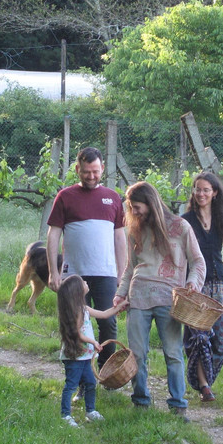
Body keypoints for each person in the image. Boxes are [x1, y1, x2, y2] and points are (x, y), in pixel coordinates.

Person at [115, 181, 206, 417]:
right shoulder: (134, 230)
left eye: (137, 207)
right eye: (131, 207)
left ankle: (178, 405)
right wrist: (119, 294)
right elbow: (129, 268)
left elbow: (197, 262)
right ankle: (141, 401)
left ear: (151, 203)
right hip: (138, 298)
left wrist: (193, 284)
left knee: (174, 353)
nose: (134, 212)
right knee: (137, 353)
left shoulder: (180, 226)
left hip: (170, 299)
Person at [46, 147, 127, 371]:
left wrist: (122, 274)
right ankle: (79, 376)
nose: (91, 176)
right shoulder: (65, 197)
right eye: (86, 172)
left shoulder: (112, 198)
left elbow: (120, 238)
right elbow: (53, 234)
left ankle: (104, 372)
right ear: (77, 169)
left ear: (102, 168)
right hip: (74, 275)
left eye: (95, 171)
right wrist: (54, 271)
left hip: (106, 274)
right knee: (74, 325)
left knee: (109, 324)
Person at [181, 172, 223, 403]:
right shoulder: (186, 221)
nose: (201, 194)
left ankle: (202, 377)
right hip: (197, 285)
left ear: (215, 193)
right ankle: (204, 386)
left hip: (220, 283)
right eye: (197, 189)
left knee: (221, 340)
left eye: (206, 190)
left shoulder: (221, 218)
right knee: (200, 338)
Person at [57, 274, 128, 427]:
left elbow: (103, 314)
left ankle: (90, 410)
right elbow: (77, 333)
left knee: (90, 382)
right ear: (77, 291)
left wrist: (120, 306)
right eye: (82, 282)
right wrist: (93, 342)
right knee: (71, 384)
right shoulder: (76, 311)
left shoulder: (84, 308)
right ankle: (65, 414)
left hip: (84, 357)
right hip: (74, 357)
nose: (85, 282)